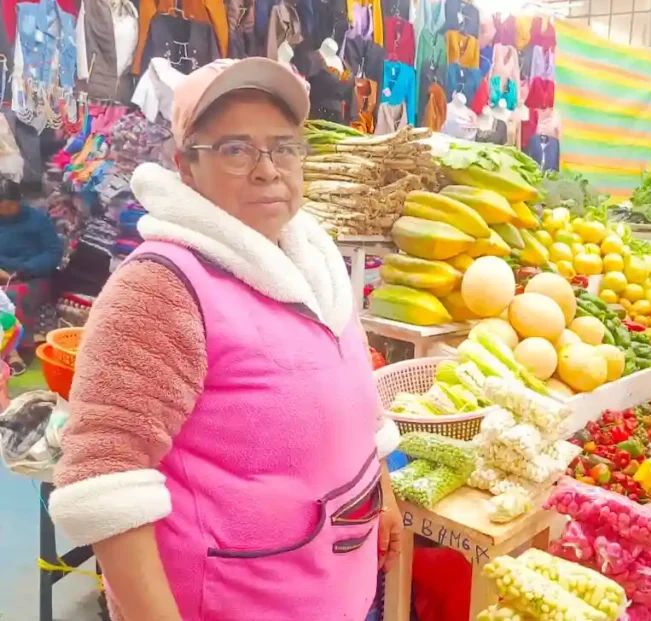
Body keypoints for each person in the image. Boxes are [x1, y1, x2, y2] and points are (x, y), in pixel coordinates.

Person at [49, 57, 402, 621]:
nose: (268, 170)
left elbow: (353, 396)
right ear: (185, 166)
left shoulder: (314, 259)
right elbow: (106, 477)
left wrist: (383, 490)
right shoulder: (161, 287)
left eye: (284, 146)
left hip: (340, 584)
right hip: (237, 602)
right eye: (236, 149)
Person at [0, 178, 63, 374]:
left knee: (12, 297)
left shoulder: (37, 220)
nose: (6, 210)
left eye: (10, 206)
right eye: (2, 206)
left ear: (19, 202)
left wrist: (26, 269)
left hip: (32, 276)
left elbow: (54, 252)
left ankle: (14, 352)